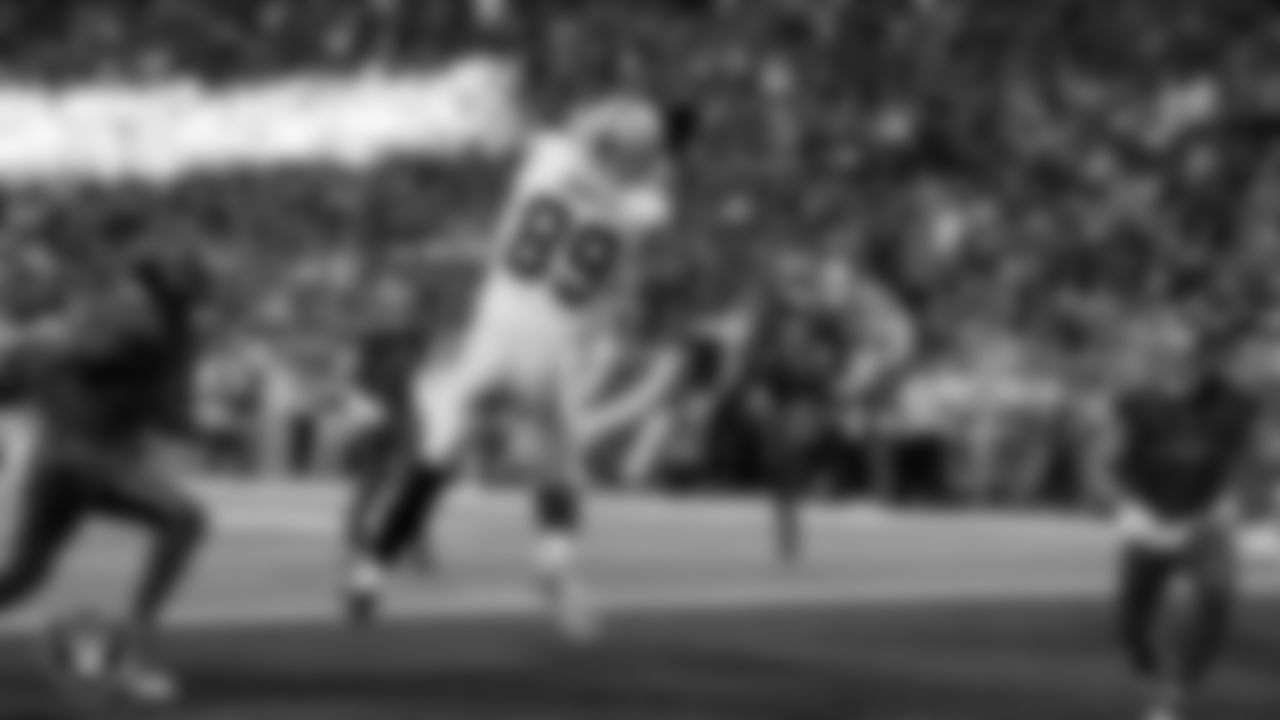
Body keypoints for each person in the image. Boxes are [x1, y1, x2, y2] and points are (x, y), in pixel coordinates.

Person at [344, 95, 695, 640]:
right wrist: (662, 145)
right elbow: (651, 187)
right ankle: (553, 565)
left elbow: (578, 130)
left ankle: (370, 572)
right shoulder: (642, 207)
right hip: (554, 351)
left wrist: (618, 122)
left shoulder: (552, 157)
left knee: (434, 461)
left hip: (493, 335)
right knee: (560, 475)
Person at [0, 244, 213, 705]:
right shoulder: (138, 323)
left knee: (24, 575)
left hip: (61, 458)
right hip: (88, 455)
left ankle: (134, 654)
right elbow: (68, 355)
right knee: (185, 519)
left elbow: (157, 400)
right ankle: (135, 654)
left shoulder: (149, 324)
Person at [1092, 316, 1260, 720]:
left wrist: (1240, 501)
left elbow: (1249, 459)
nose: (1186, 358)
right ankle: (1154, 681)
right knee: (1134, 618)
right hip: (1149, 516)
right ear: (1162, 356)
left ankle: (1176, 694)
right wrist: (1122, 505)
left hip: (1208, 517)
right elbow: (1102, 460)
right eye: (1175, 351)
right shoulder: (1135, 402)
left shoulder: (1237, 403)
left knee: (1216, 602)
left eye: (1196, 350)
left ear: (1209, 355)